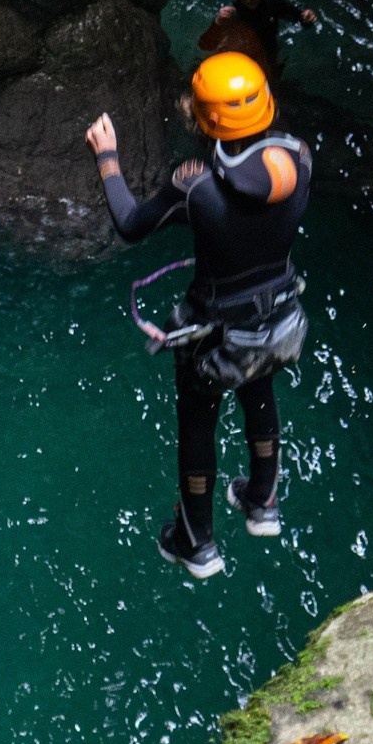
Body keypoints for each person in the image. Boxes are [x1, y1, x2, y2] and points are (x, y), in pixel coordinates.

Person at [85, 52, 311, 579]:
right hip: (280, 320)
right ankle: (262, 501)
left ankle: (196, 541)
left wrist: (108, 159)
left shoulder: (196, 185)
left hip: (215, 337)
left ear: (206, 122)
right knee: (259, 387)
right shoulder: (300, 157)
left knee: (198, 424)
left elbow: (131, 225)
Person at [198, 0, 318, 75]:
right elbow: (205, 45)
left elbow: (300, 18)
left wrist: (306, 17)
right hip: (239, 54)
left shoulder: (272, 3)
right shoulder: (231, 14)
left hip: (267, 53)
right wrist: (217, 22)